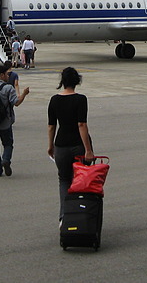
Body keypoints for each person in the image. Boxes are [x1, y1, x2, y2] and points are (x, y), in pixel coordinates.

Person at [47, 67, 94, 221]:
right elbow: (82, 125)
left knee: (64, 180)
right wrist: (88, 149)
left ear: (62, 81)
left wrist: (50, 145)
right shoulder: (81, 99)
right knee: (81, 180)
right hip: (77, 145)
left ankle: (64, 217)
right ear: (77, 81)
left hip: (60, 145)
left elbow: (51, 126)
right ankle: (81, 214)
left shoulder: (54, 100)